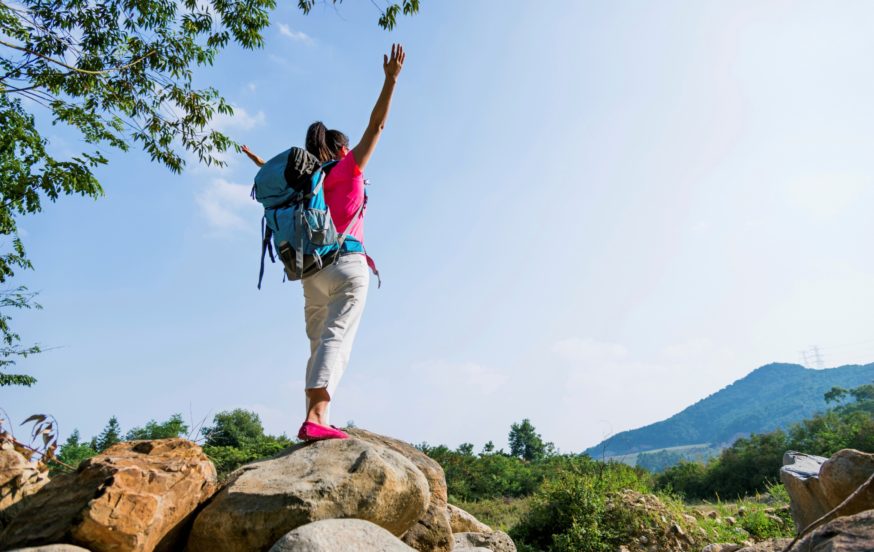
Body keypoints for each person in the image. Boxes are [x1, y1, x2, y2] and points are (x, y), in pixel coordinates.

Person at [242, 44, 406, 441]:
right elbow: (376, 127)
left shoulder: (308, 182)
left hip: (310, 271)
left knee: (318, 342)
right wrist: (390, 81)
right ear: (342, 149)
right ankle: (316, 417)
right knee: (337, 338)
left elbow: (275, 177)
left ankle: (316, 418)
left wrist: (260, 162)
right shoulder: (349, 169)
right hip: (347, 266)